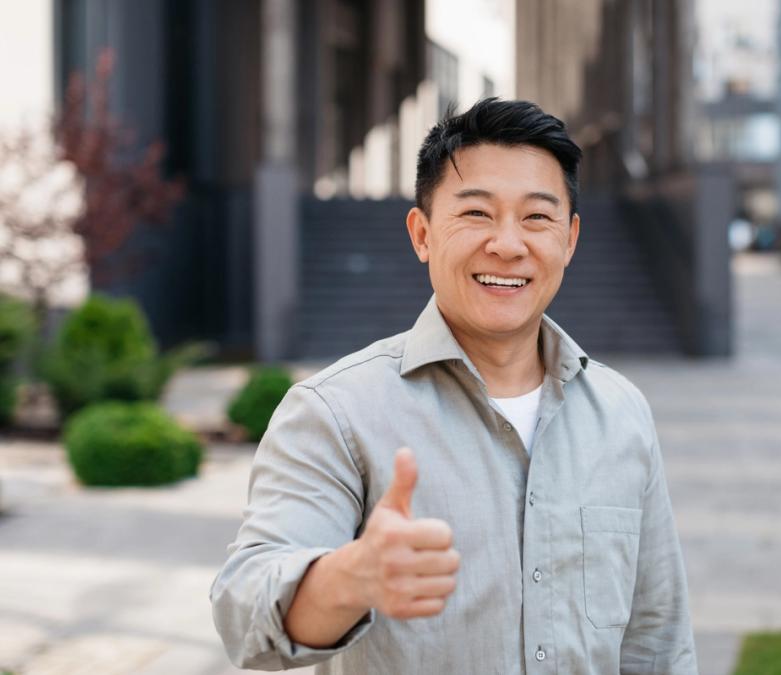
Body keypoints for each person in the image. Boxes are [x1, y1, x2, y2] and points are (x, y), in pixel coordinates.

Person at [210, 98, 698, 674]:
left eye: (537, 217)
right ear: (421, 234)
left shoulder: (621, 413)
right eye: (476, 214)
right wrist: (352, 576)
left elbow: (657, 643)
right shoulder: (336, 413)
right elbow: (244, 617)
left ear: (569, 240)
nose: (508, 244)